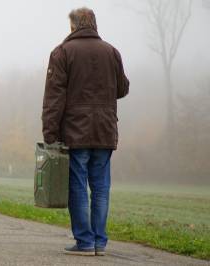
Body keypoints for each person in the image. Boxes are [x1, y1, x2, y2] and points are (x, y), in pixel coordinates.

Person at [41, 7, 129, 256]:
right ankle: (100, 242)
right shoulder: (112, 52)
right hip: (104, 130)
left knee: (78, 186)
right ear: (93, 24)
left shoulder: (62, 52)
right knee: (101, 187)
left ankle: (84, 242)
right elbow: (122, 88)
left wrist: (50, 134)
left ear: (74, 26)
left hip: (76, 132)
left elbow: (54, 98)